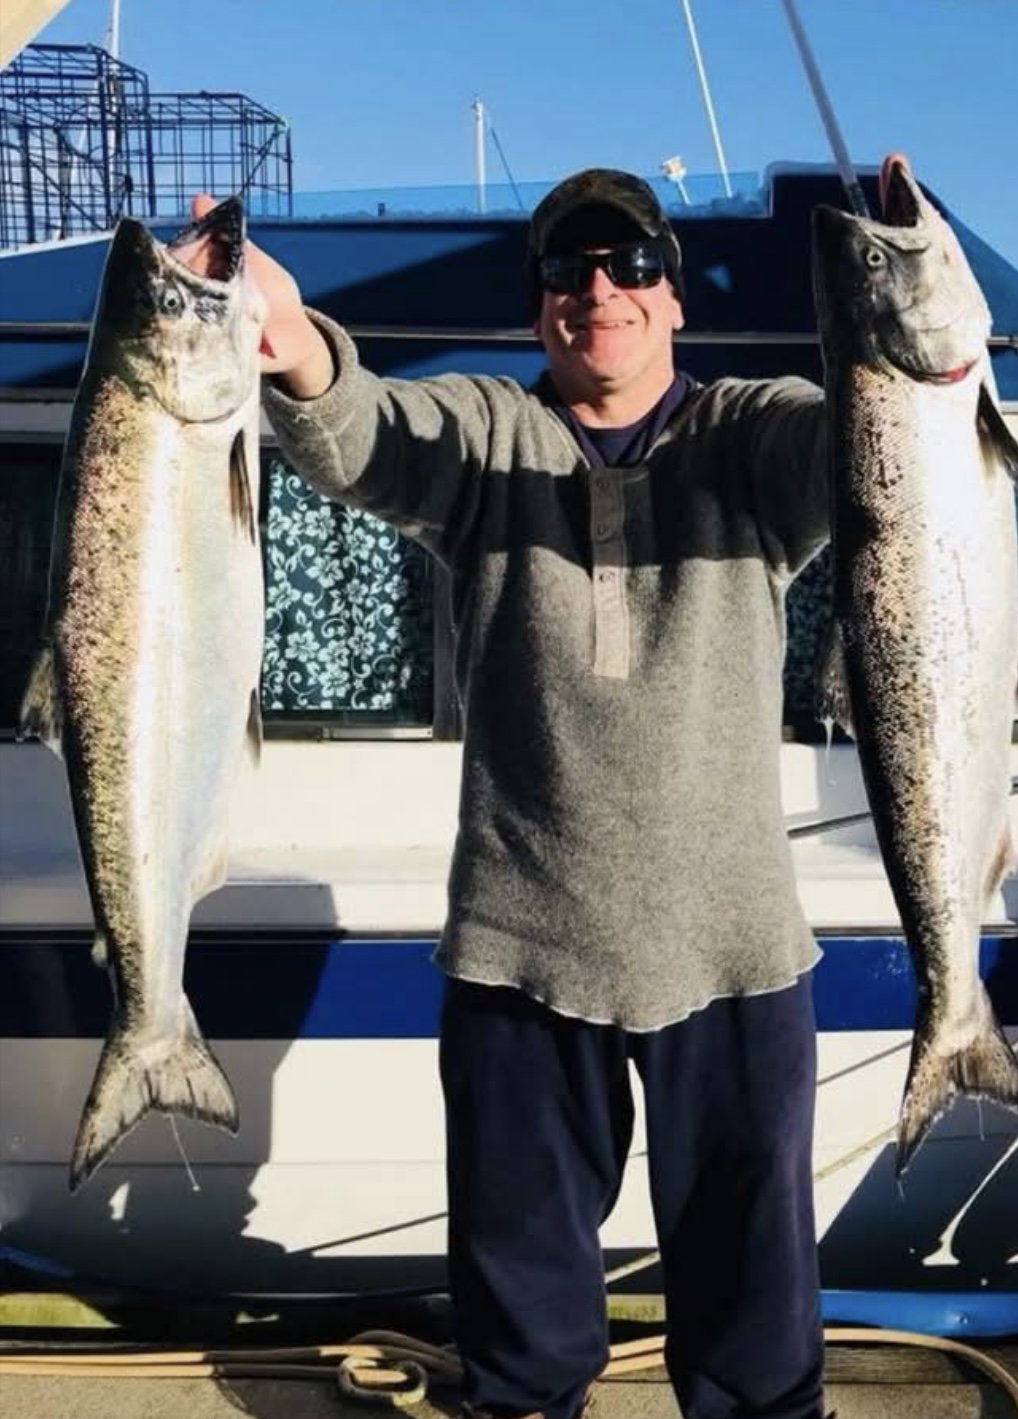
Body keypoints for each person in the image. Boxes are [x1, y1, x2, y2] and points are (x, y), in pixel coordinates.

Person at [192, 168, 831, 1419]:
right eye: (567, 269)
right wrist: (294, 349)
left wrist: (900, 353)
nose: (599, 290)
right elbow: (370, 432)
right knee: (523, 1341)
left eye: (629, 263)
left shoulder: (756, 432)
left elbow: (854, 455)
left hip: (736, 943)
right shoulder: (487, 432)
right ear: (540, 303)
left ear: (674, 295)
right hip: (518, 942)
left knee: (757, 1333)